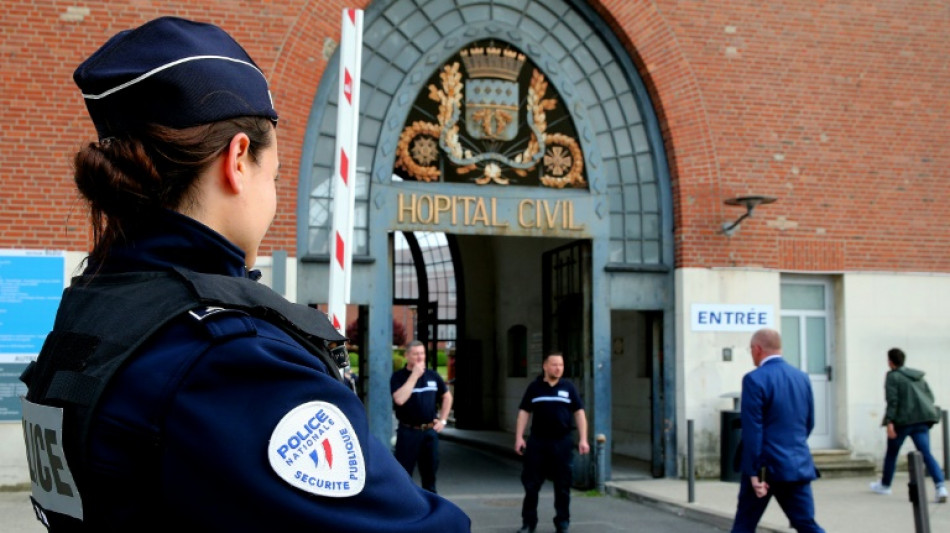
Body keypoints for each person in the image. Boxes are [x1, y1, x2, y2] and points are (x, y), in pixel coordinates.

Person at [18, 16, 469, 531]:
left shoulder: (97, 310)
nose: (273, 196)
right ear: (237, 159)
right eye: (274, 175)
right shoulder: (230, 359)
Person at [732, 328, 824, 533]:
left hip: (764, 467)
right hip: (797, 464)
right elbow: (809, 422)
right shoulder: (802, 377)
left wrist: (754, 471)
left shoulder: (754, 379)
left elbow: (753, 430)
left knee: (744, 526)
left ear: (757, 349)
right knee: (807, 524)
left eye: (750, 349)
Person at [513, 352, 589, 533]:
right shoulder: (535, 388)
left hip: (562, 441)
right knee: (531, 485)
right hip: (538, 442)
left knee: (562, 485)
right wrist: (519, 437)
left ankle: (562, 522)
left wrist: (583, 439)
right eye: (554, 365)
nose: (558, 368)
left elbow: (579, 413)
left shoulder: (568, 388)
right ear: (545, 366)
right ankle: (528, 523)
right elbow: (524, 412)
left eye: (561, 365)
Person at [869, 347, 947, 502]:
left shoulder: (893, 376)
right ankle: (940, 487)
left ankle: (885, 485)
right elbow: (930, 396)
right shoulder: (918, 376)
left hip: (903, 422)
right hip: (922, 420)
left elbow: (892, 401)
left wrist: (889, 422)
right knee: (926, 454)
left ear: (890, 362)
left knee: (892, 453)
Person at [390, 340, 453, 493]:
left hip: (429, 431)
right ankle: (405, 505)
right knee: (404, 476)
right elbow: (399, 399)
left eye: (422, 353)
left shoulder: (433, 376)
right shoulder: (398, 377)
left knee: (430, 476)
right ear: (407, 356)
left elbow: (447, 396)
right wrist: (414, 376)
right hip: (408, 432)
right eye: (415, 354)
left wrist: (443, 420)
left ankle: (430, 506)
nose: (420, 357)